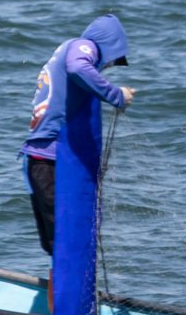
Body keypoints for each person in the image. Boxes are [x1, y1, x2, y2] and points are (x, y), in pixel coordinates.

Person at [24, 13, 133, 260]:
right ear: (108, 46)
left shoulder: (62, 51)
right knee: (65, 240)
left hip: (42, 160)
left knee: (58, 243)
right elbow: (78, 66)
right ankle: (66, 298)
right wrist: (116, 95)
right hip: (49, 163)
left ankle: (63, 296)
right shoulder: (82, 47)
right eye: (113, 60)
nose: (108, 66)